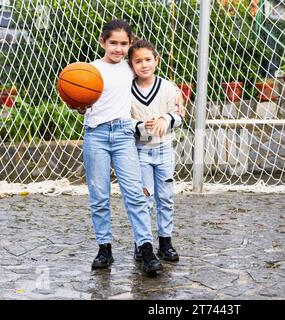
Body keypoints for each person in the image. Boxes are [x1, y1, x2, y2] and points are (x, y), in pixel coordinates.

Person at [76, 19, 163, 274]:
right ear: (102, 42)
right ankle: (105, 248)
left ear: (130, 44)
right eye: (113, 42)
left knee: (135, 194)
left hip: (124, 133)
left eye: (124, 43)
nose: (118, 48)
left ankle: (145, 248)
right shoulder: (88, 71)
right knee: (99, 196)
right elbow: (81, 103)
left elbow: (152, 77)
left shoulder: (130, 68)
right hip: (96, 135)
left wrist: (174, 97)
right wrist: (79, 105)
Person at [128, 39, 183, 263]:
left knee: (166, 197)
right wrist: (139, 126)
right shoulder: (127, 90)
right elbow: (123, 118)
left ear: (156, 61)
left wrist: (165, 118)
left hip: (163, 151)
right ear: (131, 65)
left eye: (148, 59)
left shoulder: (169, 88)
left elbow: (179, 116)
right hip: (140, 152)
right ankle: (142, 243)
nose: (144, 65)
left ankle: (165, 242)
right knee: (144, 199)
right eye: (138, 61)